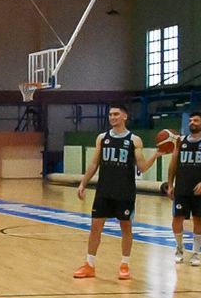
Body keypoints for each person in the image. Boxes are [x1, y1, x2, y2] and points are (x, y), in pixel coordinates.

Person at [74, 105, 159, 280]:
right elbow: (93, 164)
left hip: (124, 191)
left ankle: (125, 265)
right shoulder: (102, 138)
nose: (112, 117)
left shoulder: (134, 140)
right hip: (104, 190)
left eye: (116, 114)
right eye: (110, 114)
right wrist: (83, 183)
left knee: (126, 228)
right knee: (95, 228)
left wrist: (156, 155)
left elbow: (142, 167)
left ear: (125, 116)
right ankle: (89, 265)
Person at [164, 112, 201, 267]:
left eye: (196, 120)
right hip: (182, 187)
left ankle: (197, 253)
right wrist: (170, 184)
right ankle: (179, 248)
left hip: (199, 189)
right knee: (177, 218)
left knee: (198, 220)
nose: (192, 122)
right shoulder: (181, 141)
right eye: (191, 120)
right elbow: (173, 164)